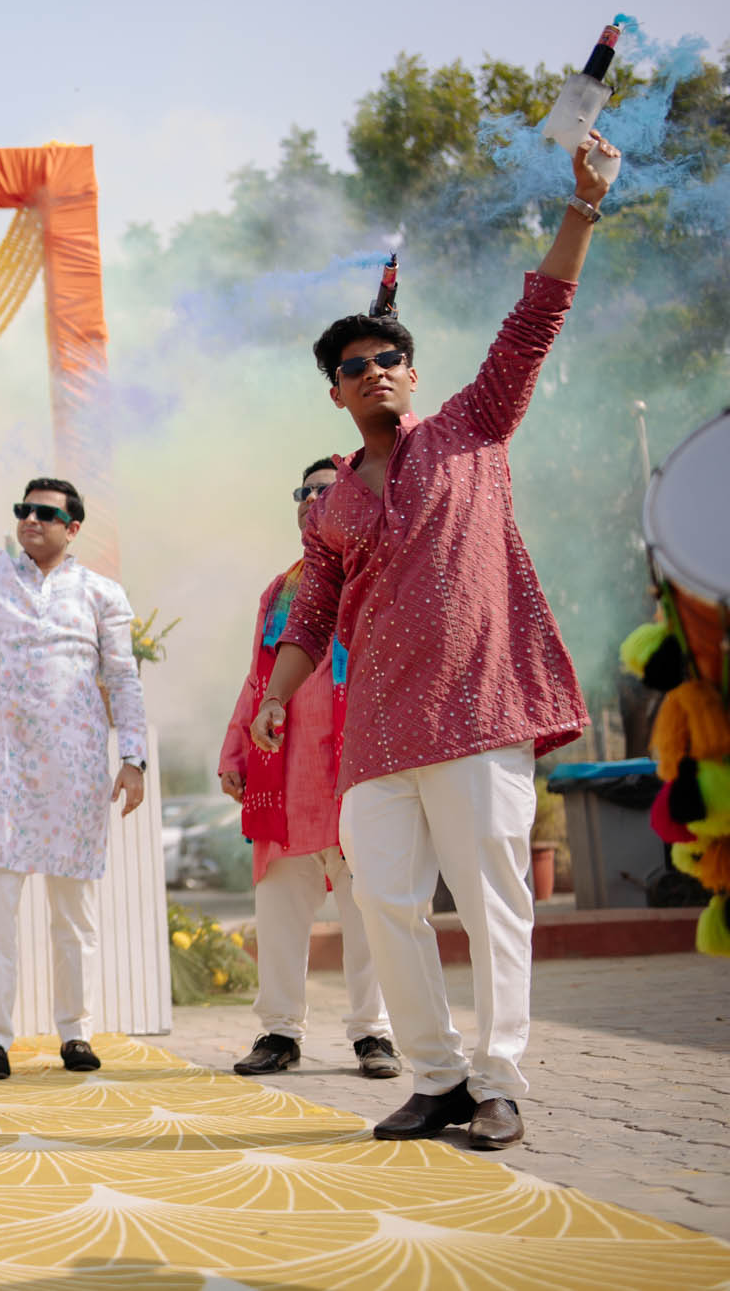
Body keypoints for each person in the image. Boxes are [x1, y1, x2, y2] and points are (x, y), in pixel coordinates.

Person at [250, 134, 621, 1150]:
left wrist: (582, 206)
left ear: (411, 374)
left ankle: (498, 1082)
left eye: (385, 360)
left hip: (477, 710)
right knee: (384, 905)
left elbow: (536, 318)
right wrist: (277, 695)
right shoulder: (330, 507)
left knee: (495, 904)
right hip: (375, 728)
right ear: (333, 391)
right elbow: (312, 615)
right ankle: (436, 1077)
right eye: (351, 367)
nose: (371, 372)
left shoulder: (471, 429)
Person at [0, 477, 148, 1082]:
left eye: (45, 513)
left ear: (72, 528)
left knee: (74, 914)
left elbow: (123, 678)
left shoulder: (100, 593)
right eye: (23, 510)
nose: (31, 520)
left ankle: (76, 1031)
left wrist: (133, 757)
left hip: (72, 771)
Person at [218, 458, 397, 1081]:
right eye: (304, 492)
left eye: (326, 490)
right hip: (286, 781)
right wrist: (235, 749)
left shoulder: (381, 573)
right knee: (278, 913)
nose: (311, 501)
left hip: (357, 776)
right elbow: (259, 678)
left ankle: (374, 1033)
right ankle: (279, 1032)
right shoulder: (280, 591)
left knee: (368, 913)